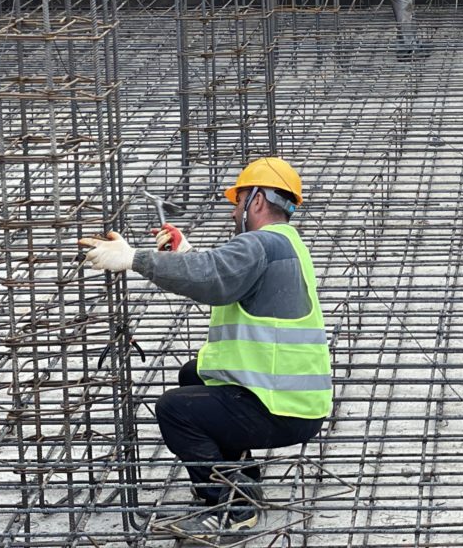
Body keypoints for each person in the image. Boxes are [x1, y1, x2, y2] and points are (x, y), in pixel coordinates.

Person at [80, 157, 332, 544]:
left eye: (238, 200)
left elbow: (214, 274)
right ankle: (242, 478)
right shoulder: (285, 243)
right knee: (193, 375)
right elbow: (225, 280)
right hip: (292, 400)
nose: (234, 210)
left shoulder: (260, 242)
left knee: (175, 408)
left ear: (258, 200)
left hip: (283, 409)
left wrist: (134, 259)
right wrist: (183, 253)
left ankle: (231, 508)